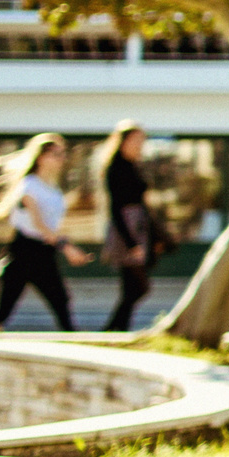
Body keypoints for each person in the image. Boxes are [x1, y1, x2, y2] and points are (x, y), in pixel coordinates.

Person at [0, 133, 89, 331]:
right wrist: (67, 247)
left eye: (63, 154)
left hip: (43, 251)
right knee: (3, 312)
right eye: (56, 154)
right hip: (24, 251)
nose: (62, 159)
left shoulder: (52, 187)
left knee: (61, 301)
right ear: (41, 157)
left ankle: (75, 341)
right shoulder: (29, 186)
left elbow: (51, 223)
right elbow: (39, 224)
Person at [95, 120, 158, 331]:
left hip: (139, 227)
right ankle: (113, 329)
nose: (140, 144)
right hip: (126, 229)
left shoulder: (134, 165)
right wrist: (132, 242)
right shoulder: (116, 167)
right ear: (124, 141)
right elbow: (116, 208)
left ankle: (116, 330)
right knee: (138, 287)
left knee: (133, 288)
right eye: (136, 139)